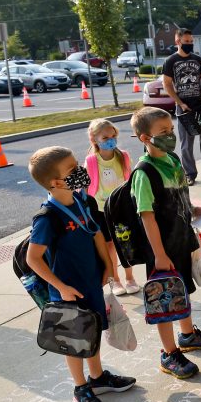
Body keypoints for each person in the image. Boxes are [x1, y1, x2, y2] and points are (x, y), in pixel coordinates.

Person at [26, 146, 136, 402]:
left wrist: (108, 265)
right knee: (74, 340)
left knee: (93, 331)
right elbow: (33, 259)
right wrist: (61, 287)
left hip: (90, 282)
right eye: (72, 170)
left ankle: (97, 378)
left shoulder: (81, 201)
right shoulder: (47, 218)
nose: (80, 172)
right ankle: (80, 387)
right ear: (55, 183)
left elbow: (96, 234)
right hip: (67, 292)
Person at [130, 106, 201, 380]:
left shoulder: (172, 160)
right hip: (162, 249)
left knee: (183, 291)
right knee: (165, 301)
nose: (170, 136)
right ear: (144, 138)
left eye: (171, 130)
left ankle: (188, 335)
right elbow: (146, 217)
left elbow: (180, 196)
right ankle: (169, 353)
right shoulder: (144, 173)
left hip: (182, 239)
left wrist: (195, 210)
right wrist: (158, 254)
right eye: (163, 132)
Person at [162, 28, 201, 186]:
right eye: (187, 42)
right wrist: (180, 103)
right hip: (184, 108)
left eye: (191, 41)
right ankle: (190, 175)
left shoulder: (198, 59)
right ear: (178, 42)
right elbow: (167, 85)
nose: (190, 44)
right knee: (186, 144)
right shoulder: (170, 61)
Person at [84, 119, 139, 295]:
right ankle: (116, 280)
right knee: (110, 246)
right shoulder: (92, 161)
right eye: (105, 137)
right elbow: (86, 188)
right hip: (101, 210)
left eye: (113, 135)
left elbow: (129, 179)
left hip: (121, 207)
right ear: (94, 139)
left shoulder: (123, 156)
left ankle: (130, 277)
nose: (111, 139)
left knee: (126, 242)